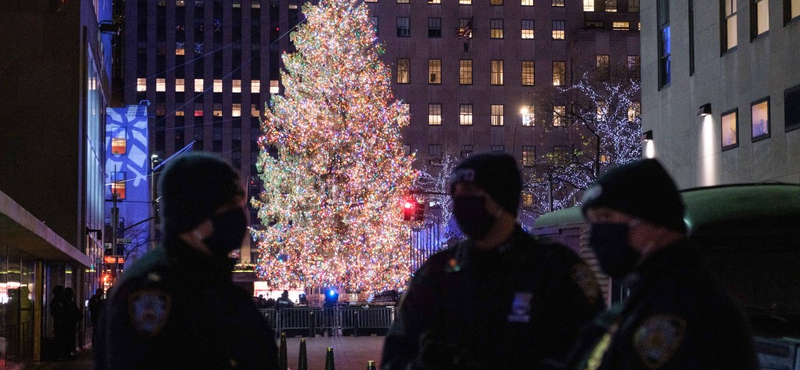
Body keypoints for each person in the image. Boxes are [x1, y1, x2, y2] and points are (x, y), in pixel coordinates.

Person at [381, 152, 605, 370]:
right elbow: (396, 355)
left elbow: (591, 353)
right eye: (456, 194)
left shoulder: (555, 269)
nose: (460, 203)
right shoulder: (436, 273)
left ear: (500, 200)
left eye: (470, 192)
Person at [567, 159, 758, 370]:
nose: (595, 236)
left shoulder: (686, 306)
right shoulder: (646, 297)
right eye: (592, 221)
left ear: (654, 219)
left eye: (605, 217)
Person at [94, 153, 279, 370]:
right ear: (196, 214)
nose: (240, 216)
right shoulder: (154, 290)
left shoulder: (211, 282)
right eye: (229, 205)